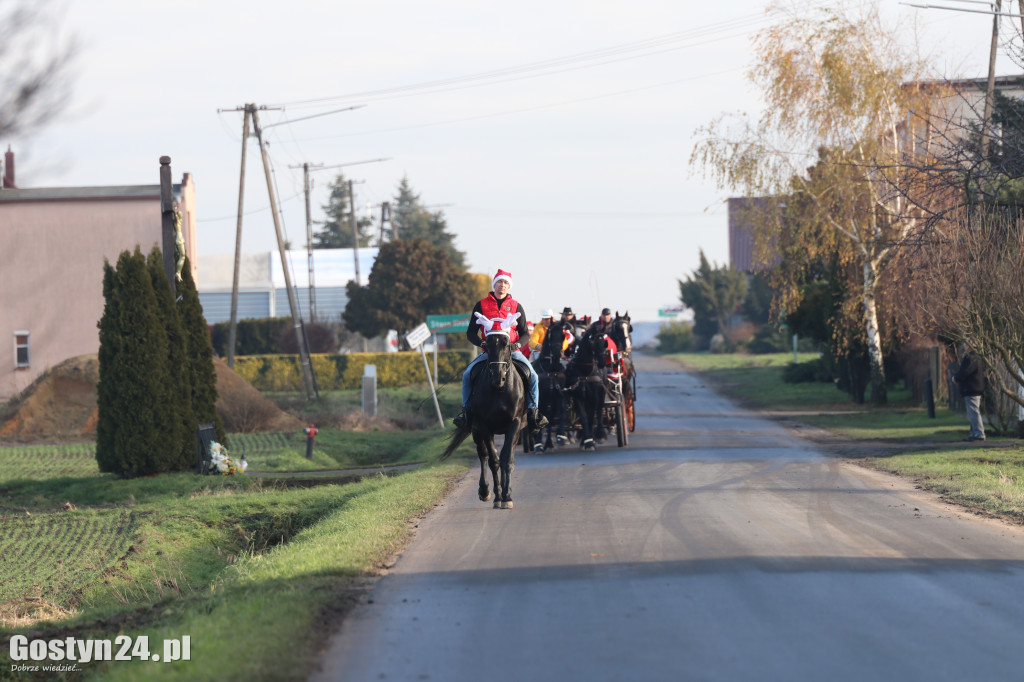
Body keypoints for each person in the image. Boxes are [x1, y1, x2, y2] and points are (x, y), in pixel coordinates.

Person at [453, 269, 549, 432]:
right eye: (499, 282)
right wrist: (482, 343)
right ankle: (467, 414)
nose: (502, 286)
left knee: (533, 375)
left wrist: (517, 345)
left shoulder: (516, 306)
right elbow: (471, 333)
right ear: (494, 284)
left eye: (505, 283)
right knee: (467, 375)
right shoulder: (481, 305)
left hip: (512, 350)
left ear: (509, 287)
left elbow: (525, 333)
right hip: (490, 352)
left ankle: (533, 413)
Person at [953, 344, 986, 442]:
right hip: (975, 388)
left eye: (966, 345)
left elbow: (965, 372)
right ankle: (974, 433)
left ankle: (979, 433)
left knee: (973, 412)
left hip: (971, 388)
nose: (965, 347)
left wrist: (956, 378)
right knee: (973, 412)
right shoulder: (977, 356)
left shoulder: (971, 357)